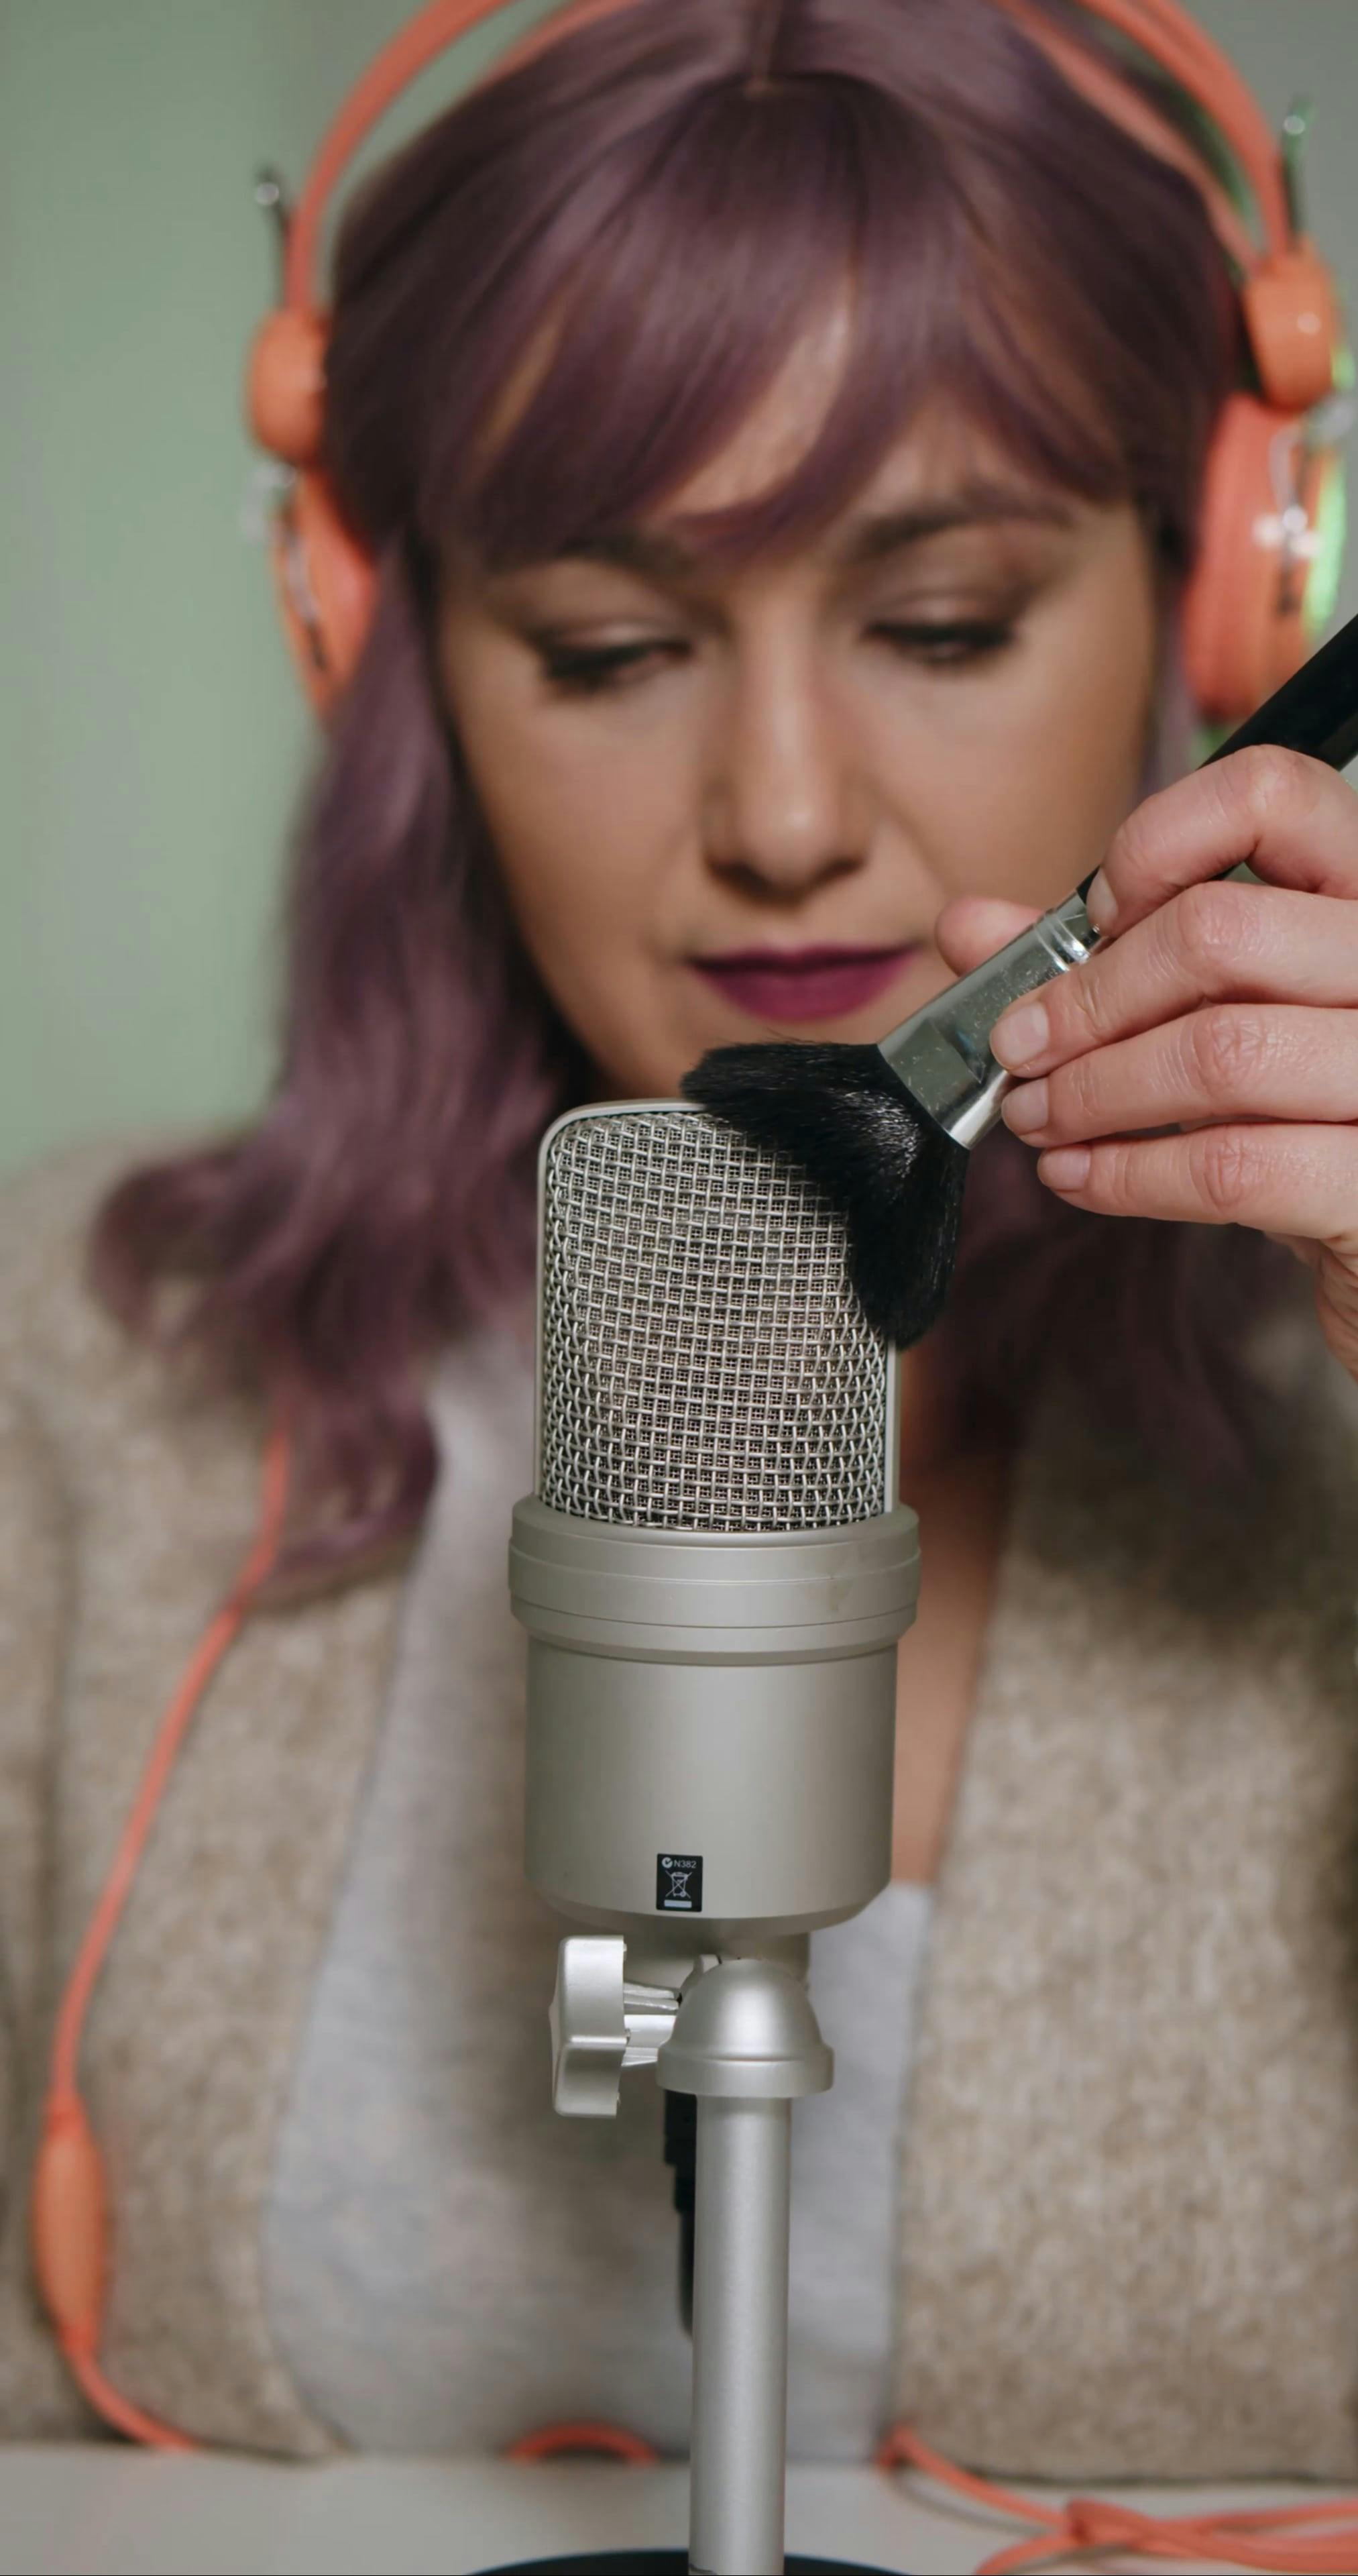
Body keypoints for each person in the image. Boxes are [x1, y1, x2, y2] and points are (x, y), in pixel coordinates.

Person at [5, 0, 1358, 2506]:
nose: (779, 815)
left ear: (1224, 583)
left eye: (942, 621)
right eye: (612, 651)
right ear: (377, 653)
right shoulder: (73, 1364)